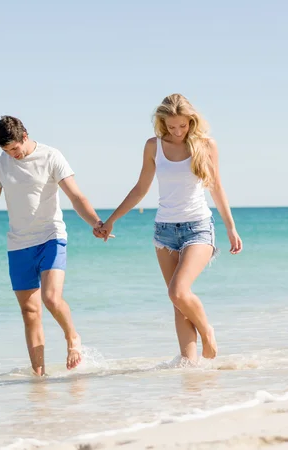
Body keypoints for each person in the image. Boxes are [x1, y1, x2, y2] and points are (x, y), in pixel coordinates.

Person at [96, 94, 243, 361]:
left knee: (178, 291)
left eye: (183, 126)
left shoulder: (206, 145)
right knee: (177, 303)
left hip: (198, 227)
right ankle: (189, 368)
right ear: (162, 123)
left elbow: (217, 188)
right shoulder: (154, 146)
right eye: (171, 126)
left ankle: (207, 331)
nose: (177, 132)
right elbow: (140, 189)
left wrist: (231, 228)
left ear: (191, 121)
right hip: (164, 231)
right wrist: (111, 220)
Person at [0, 116, 104, 375]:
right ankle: (39, 377)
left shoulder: (51, 156)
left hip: (51, 236)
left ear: (25, 135)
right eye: (6, 151)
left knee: (51, 298)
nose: (12, 155)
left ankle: (72, 337)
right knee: (30, 311)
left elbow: (75, 195)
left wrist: (95, 222)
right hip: (18, 244)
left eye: (15, 148)